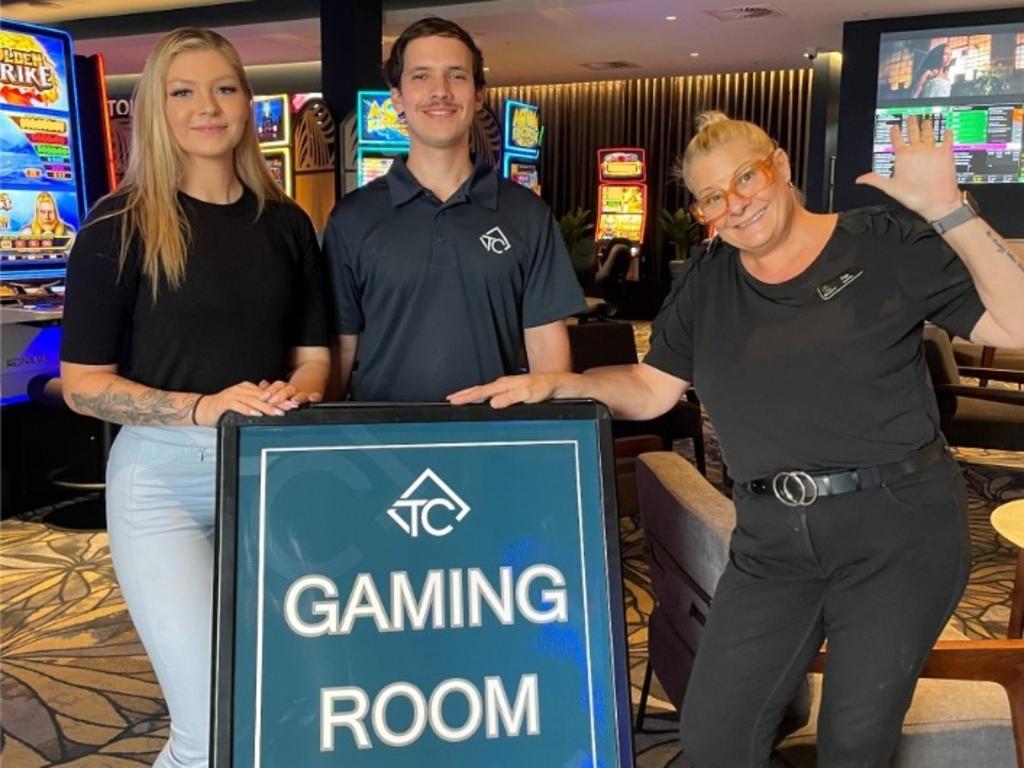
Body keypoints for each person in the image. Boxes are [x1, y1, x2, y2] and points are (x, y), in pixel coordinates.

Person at [450, 111, 1024, 767]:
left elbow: (1017, 322)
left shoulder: (880, 242)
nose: (735, 203)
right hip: (772, 537)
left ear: (777, 163)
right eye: (711, 196)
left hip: (896, 528)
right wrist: (561, 381)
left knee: (854, 744)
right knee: (715, 737)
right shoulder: (708, 280)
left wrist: (949, 209)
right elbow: (652, 385)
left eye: (745, 177)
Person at [60, 28, 330, 768]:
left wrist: (290, 397)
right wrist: (200, 407)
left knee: (298, 703)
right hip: (162, 482)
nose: (206, 107)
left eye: (223, 88)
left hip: (271, 471)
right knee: (211, 725)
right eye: (183, 91)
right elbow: (84, 389)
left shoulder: (286, 224)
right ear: (156, 107)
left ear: (246, 102)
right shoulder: (116, 226)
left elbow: (314, 362)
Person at [323, 16, 584, 402]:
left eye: (456, 76)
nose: (439, 91)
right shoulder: (351, 218)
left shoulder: (527, 214)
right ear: (397, 96)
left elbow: (547, 348)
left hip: (494, 442)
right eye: (421, 76)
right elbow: (340, 350)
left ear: (478, 94)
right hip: (381, 447)